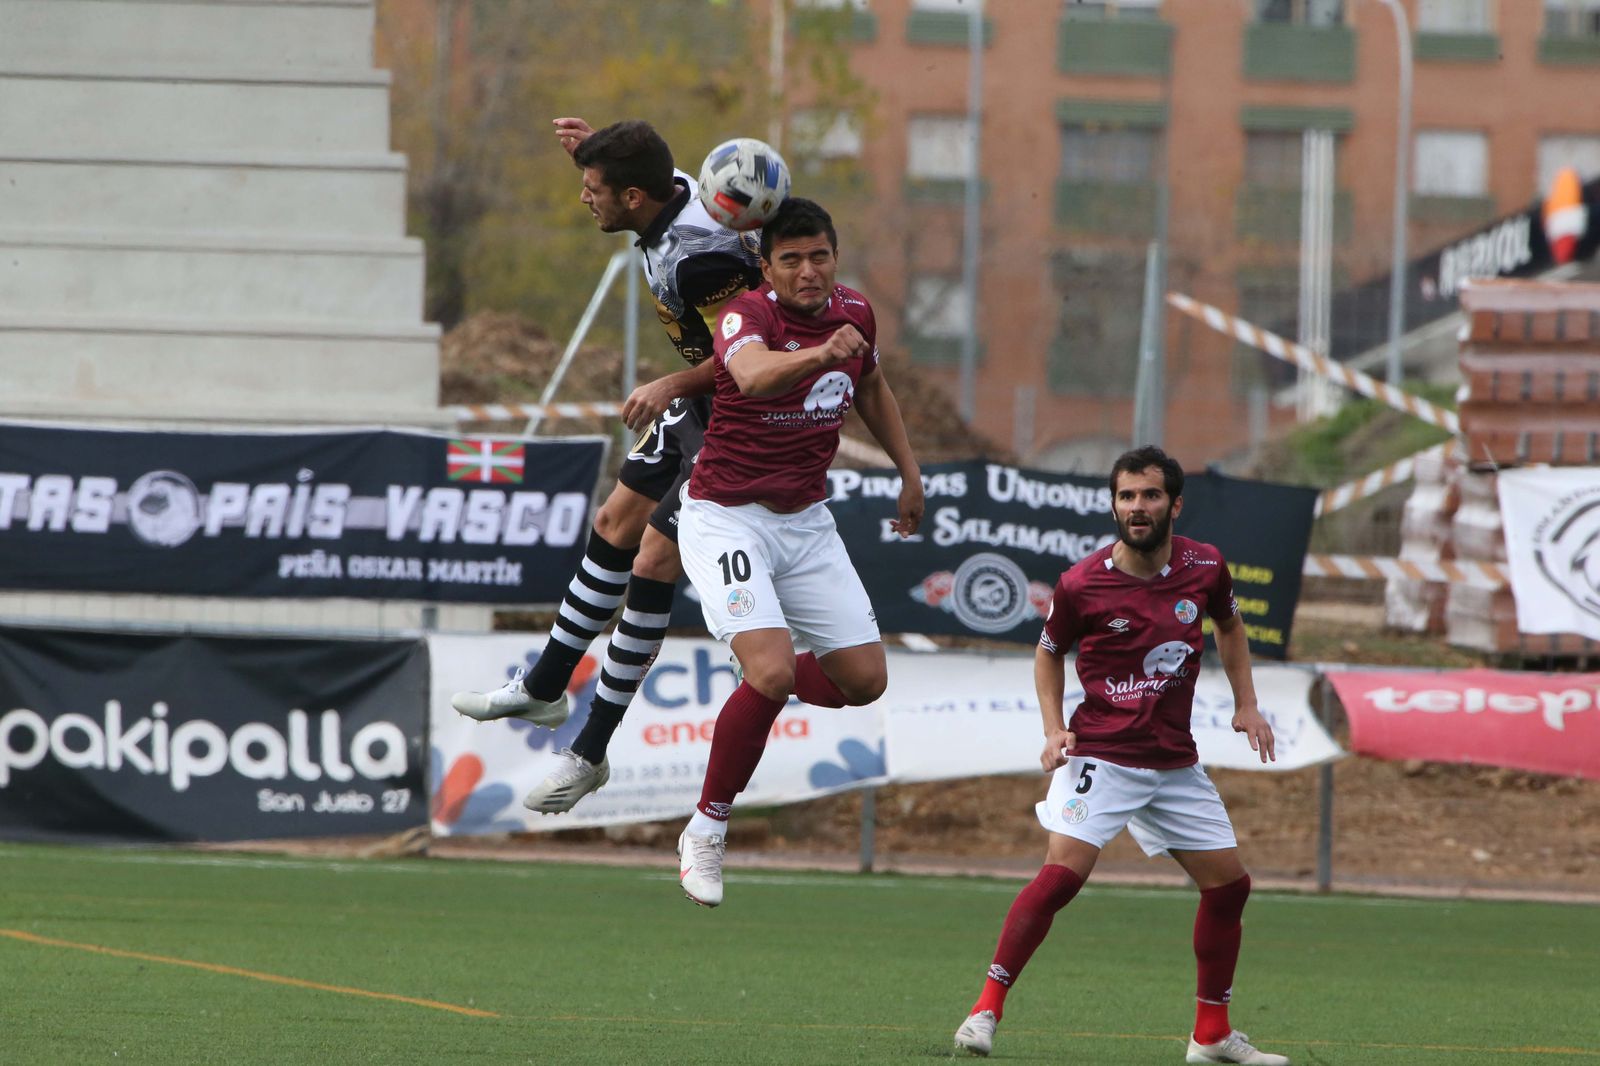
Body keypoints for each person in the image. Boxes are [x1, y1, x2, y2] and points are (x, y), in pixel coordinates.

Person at [451, 118, 763, 813]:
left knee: (654, 558)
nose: (583, 199)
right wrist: (596, 152)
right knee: (615, 519)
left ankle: (589, 752)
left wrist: (669, 385)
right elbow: (661, 169)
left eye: (595, 189)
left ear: (632, 197)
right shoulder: (671, 195)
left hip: (743, 418)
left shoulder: (699, 260)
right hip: (709, 406)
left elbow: (754, 356)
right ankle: (544, 688)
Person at [951, 446, 1289, 1066]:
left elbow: (1230, 626)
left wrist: (1247, 703)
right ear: (1113, 504)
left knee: (1229, 888)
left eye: (1151, 496)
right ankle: (984, 1011)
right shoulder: (1082, 583)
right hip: (1101, 756)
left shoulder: (1206, 566)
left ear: (1175, 504)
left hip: (1173, 762)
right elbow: (1047, 651)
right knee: (1060, 879)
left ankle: (1211, 1037)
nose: (1138, 508)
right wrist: (1055, 729)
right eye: (1127, 496)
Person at [673, 197, 922, 908]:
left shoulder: (856, 313)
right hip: (727, 519)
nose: (808, 271)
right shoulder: (744, 316)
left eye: (819, 256)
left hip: (806, 521)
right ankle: (707, 827)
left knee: (864, 680)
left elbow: (870, 383)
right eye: (791, 259)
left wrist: (909, 472)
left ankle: (759, 671)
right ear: (766, 267)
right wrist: (820, 351)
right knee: (776, 672)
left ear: (834, 256)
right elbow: (751, 377)